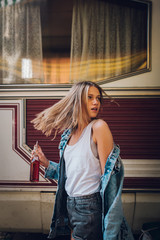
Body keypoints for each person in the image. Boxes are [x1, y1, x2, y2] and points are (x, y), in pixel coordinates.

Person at [31, 81, 134, 240]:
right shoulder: (68, 134)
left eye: (98, 98)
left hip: (89, 206)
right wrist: (45, 162)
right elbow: (72, 174)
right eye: (90, 97)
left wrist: (112, 226)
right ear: (77, 101)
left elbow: (108, 182)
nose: (96, 102)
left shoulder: (99, 128)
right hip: (69, 203)